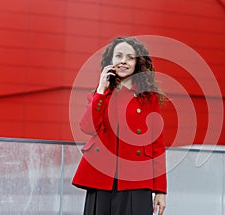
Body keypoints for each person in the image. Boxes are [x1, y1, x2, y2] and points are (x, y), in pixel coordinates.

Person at [72, 36, 167, 215]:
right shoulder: (100, 94)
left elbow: (157, 146)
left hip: (136, 179)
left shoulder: (148, 98)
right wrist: (101, 89)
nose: (123, 61)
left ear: (138, 63)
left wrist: (160, 190)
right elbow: (87, 127)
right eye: (119, 56)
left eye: (130, 57)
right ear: (111, 60)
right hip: (101, 177)